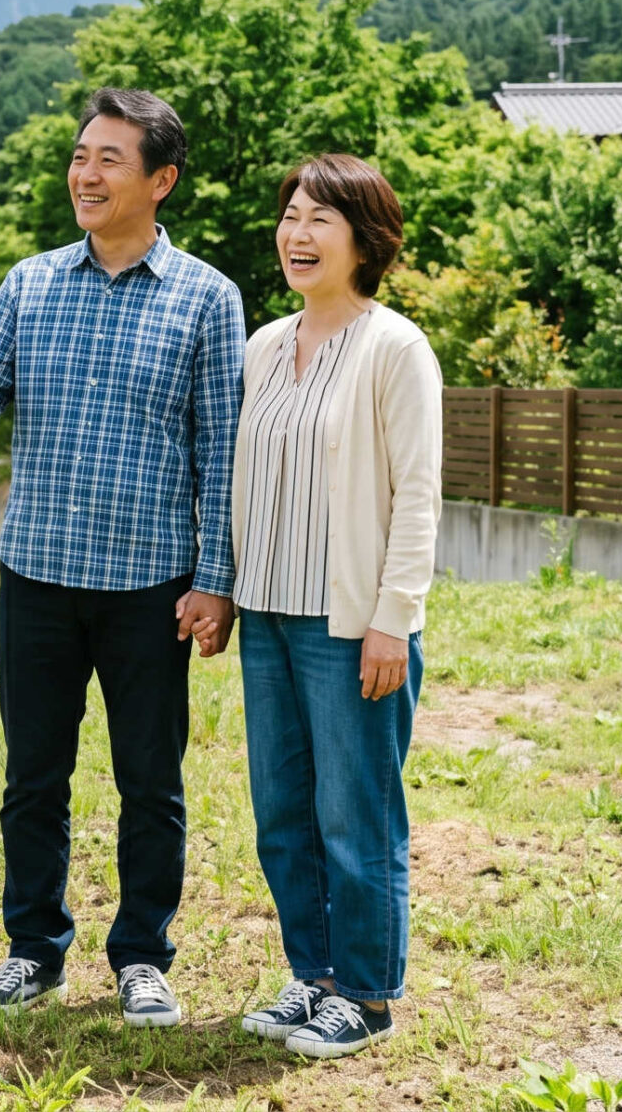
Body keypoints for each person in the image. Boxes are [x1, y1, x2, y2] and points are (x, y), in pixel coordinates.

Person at [0, 87, 244, 1025]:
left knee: (150, 782)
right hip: (38, 573)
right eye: (81, 155)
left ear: (159, 180)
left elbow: (225, 451)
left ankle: (142, 956)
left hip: (150, 584)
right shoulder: (30, 281)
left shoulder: (209, 297)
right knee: (32, 776)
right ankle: (33, 949)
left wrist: (217, 578)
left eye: (109, 160)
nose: (86, 173)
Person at [227, 153, 441, 1059]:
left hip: (348, 621)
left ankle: (368, 992)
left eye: (320, 217)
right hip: (267, 613)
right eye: (289, 215)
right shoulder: (263, 346)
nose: (297, 232)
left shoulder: (396, 346)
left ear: (365, 238)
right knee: (283, 810)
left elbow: (419, 491)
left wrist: (394, 613)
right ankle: (311, 976)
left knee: (357, 814)